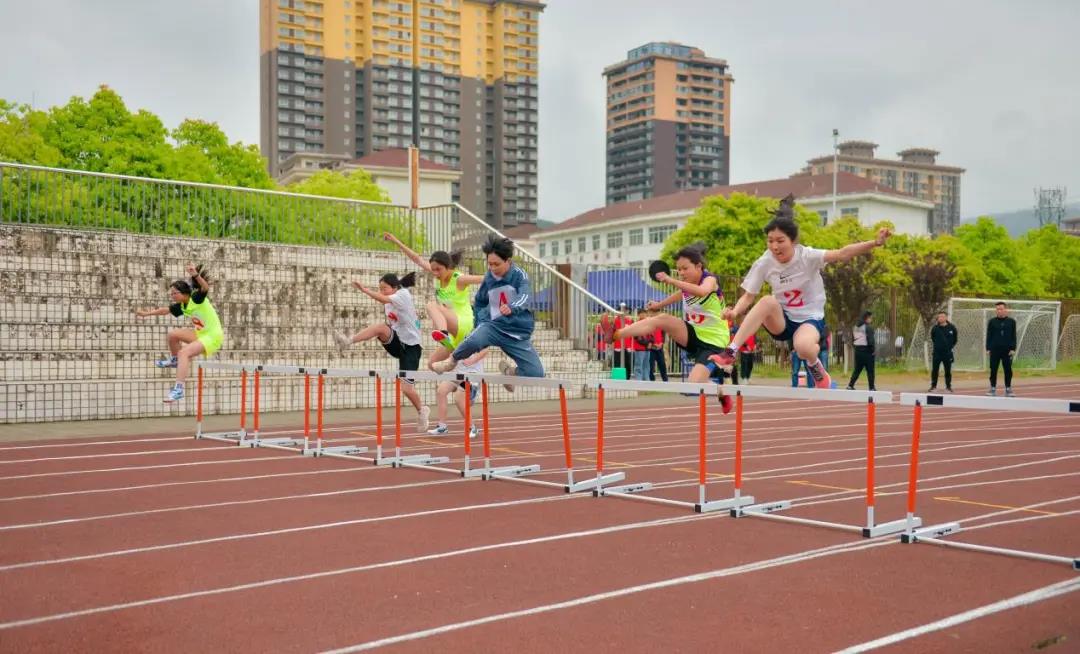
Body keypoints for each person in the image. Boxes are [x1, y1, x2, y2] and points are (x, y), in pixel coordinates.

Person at [710, 194, 891, 389]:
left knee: (803, 347)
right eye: (770, 241)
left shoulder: (807, 256)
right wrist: (735, 312)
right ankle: (730, 352)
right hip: (783, 319)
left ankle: (816, 367)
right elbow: (748, 296)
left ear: (793, 241)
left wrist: (875, 243)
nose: (774, 247)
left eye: (780, 241)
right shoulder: (764, 262)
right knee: (767, 301)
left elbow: (842, 253)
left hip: (809, 318)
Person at [599, 242, 734, 412]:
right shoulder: (686, 286)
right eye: (679, 270)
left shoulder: (709, 280)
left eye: (685, 268)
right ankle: (615, 334)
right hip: (693, 334)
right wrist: (658, 304)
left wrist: (671, 280)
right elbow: (680, 294)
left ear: (699, 266)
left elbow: (702, 292)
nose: (681, 273)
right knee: (661, 318)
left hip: (715, 342)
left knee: (693, 385)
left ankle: (722, 393)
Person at [430, 235, 545, 389]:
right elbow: (480, 300)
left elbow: (525, 295)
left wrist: (512, 306)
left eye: (496, 264)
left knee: (536, 373)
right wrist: (479, 323)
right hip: (494, 327)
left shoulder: (519, 276)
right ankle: (451, 361)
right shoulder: (489, 277)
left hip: (516, 332)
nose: (492, 269)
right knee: (473, 340)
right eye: (489, 264)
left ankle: (511, 373)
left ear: (508, 261)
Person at [335, 272, 430, 431]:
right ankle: (348, 341)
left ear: (394, 287)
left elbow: (384, 298)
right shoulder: (388, 303)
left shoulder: (403, 294)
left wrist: (365, 290)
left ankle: (422, 410)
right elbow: (391, 321)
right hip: (398, 342)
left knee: (407, 389)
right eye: (379, 289)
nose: (381, 292)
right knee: (380, 328)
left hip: (411, 348)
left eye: (384, 288)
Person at [384, 233, 484, 370]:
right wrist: (396, 240)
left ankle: (443, 333)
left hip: (463, 322)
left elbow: (483, 278)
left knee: (431, 305)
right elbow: (417, 259)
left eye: (439, 270)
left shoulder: (459, 279)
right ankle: (458, 378)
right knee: (432, 364)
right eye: (433, 270)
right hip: (456, 334)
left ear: (448, 266)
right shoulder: (438, 276)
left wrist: (506, 276)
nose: (435, 273)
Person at [136, 263, 223, 403]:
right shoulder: (183, 305)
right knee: (172, 335)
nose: (173, 296)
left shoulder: (196, 298)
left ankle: (178, 389)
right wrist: (147, 314)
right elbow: (165, 310)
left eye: (175, 293)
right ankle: (176, 360)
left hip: (213, 336)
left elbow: (205, 288)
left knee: (184, 353)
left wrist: (195, 274)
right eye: (171, 294)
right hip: (201, 333)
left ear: (184, 293)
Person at [427, 350, 487, 439]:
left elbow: (485, 350)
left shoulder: (475, 337)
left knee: (459, 399)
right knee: (441, 391)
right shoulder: (455, 339)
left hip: (472, 375)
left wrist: (473, 360)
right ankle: (442, 426)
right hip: (457, 373)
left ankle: (473, 428)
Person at [986, 301, 1017, 397]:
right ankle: (992, 388)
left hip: (1007, 350)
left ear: (1005, 310)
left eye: (1001, 309)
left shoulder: (1011, 321)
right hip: (995, 350)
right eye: (997, 309)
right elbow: (989, 335)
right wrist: (988, 348)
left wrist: (1013, 348)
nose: (999, 311)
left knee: (1008, 370)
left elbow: (1013, 336)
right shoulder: (992, 322)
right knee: (993, 369)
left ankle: (1008, 388)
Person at [846, 311, 876, 391]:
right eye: (870, 318)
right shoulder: (868, 327)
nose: (871, 319)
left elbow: (852, 339)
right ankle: (871, 387)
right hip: (867, 351)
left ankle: (850, 385)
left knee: (857, 369)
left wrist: (856, 347)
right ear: (867, 318)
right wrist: (873, 350)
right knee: (870, 370)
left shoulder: (855, 327)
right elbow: (870, 341)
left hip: (858, 351)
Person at [928, 311, 958, 393]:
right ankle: (933, 386)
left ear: (946, 317)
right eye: (939, 317)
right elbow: (933, 338)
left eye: (942, 316)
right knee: (935, 370)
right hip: (937, 353)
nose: (941, 318)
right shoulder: (935, 328)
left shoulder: (952, 328)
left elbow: (955, 340)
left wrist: (949, 347)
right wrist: (938, 346)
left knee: (947, 370)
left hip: (947, 353)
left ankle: (948, 387)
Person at [648, 311, 669, 382]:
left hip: (660, 347)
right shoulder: (648, 323)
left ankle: (665, 380)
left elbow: (663, 334)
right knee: (651, 365)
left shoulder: (660, 323)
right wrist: (653, 343)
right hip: (651, 348)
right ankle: (652, 380)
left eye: (656, 312)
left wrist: (661, 343)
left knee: (662, 364)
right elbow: (647, 335)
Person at [632, 309, 651, 380]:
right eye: (641, 313)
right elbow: (637, 337)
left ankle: (646, 380)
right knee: (639, 365)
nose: (643, 315)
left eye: (645, 313)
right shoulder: (636, 324)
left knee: (646, 365)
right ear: (638, 315)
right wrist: (647, 344)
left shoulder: (649, 324)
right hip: (639, 348)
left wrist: (650, 342)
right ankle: (639, 381)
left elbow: (652, 335)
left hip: (647, 348)